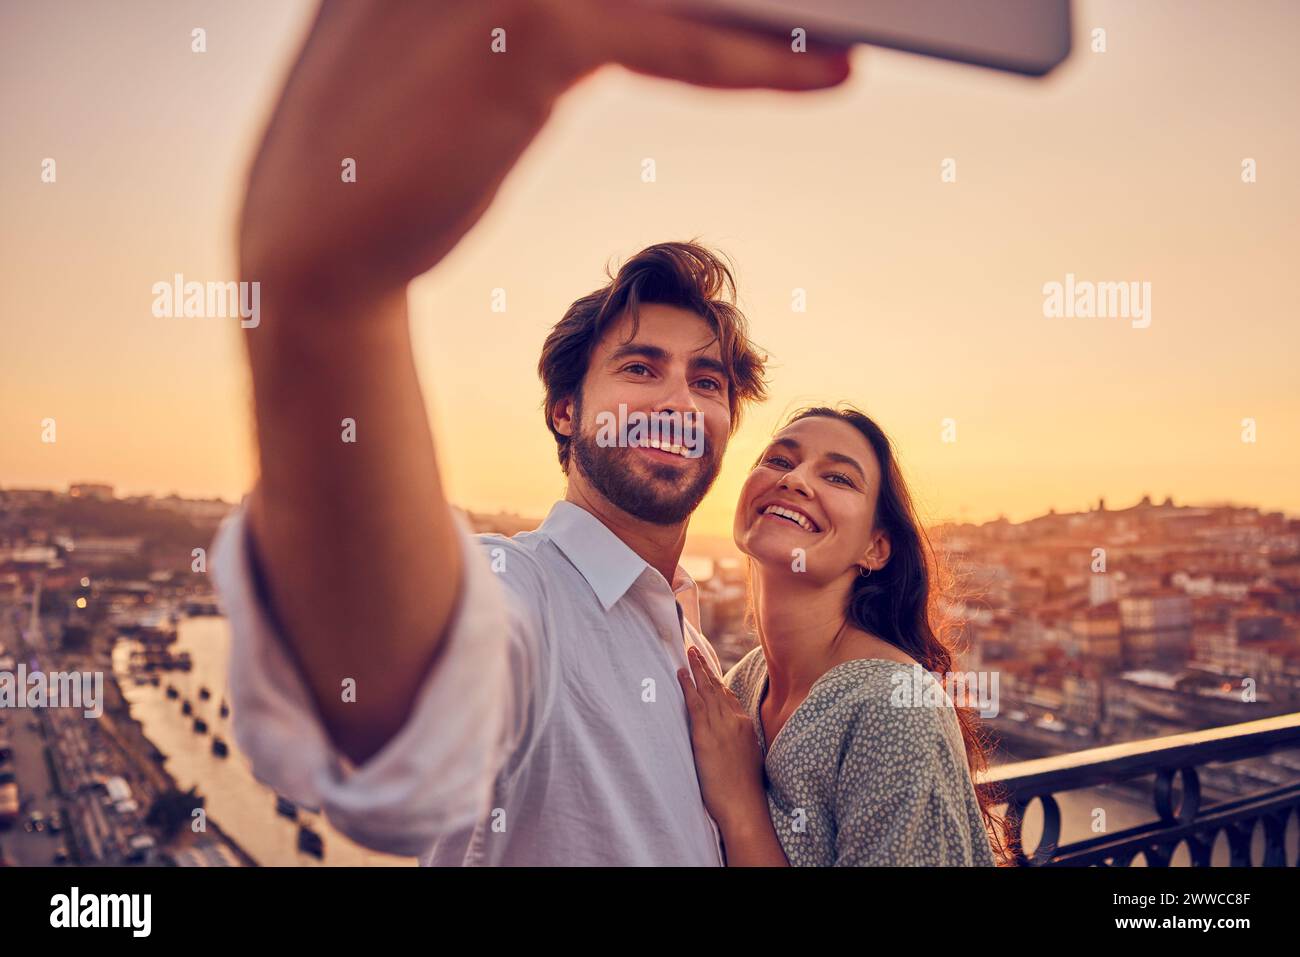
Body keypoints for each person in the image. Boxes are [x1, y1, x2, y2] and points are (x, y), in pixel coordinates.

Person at [211, 0, 852, 864]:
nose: (675, 396)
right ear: (565, 411)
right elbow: (403, 706)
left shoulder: (692, 650)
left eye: (707, 379)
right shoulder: (525, 599)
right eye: (639, 366)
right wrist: (326, 291)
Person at [677, 407, 1012, 865]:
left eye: (837, 478)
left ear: (875, 548)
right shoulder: (744, 680)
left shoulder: (895, 709)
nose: (795, 480)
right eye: (778, 460)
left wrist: (740, 805)